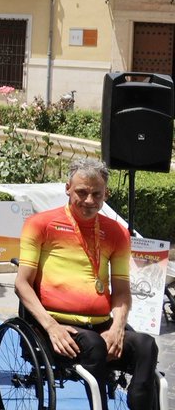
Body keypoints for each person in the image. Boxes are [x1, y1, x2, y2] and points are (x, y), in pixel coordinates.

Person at [15, 158, 158, 410]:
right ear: (67, 188)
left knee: (146, 345)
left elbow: (122, 292)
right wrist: (51, 327)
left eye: (97, 194)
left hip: (102, 326)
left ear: (107, 194)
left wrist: (117, 328)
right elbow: (22, 284)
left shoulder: (116, 232)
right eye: (82, 192)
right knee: (93, 344)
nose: (89, 201)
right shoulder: (41, 224)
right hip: (57, 325)